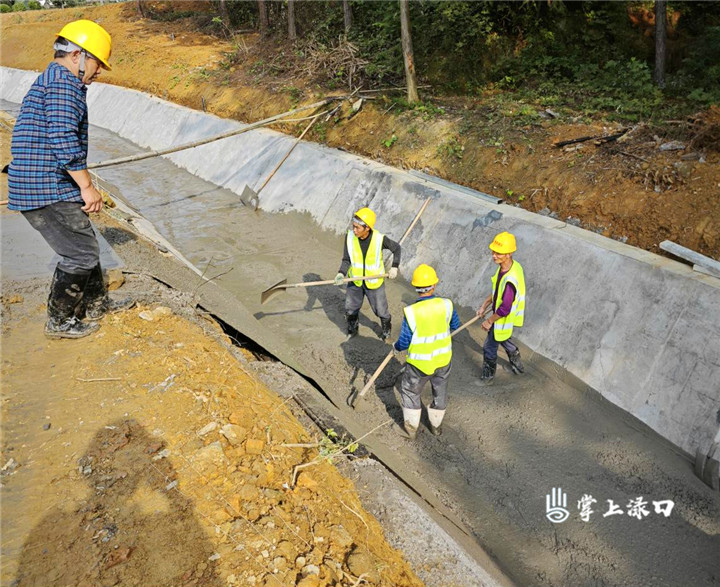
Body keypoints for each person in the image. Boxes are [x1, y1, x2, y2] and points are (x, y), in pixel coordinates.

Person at [8, 20, 132, 339]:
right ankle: (60, 321)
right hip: (44, 188)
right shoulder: (63, 83)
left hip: (45, 183)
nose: (99, 71)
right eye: (96, 63)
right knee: (79, 253)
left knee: (84, 242)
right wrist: (87, 187)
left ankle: (94, 304)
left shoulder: (55, 80)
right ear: (77, 55)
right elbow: (63, 136)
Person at [393, 264, 460, 438]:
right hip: (443, 360)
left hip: (419, 365)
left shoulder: (412, 312)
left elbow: (405, 341)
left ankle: (411, 430)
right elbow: (455, 325)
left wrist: (396, 347)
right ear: (434, 285)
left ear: (415, 287)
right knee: (440, 390)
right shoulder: (447, 305)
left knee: (410, 391)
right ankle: (436, 426)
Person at [335, 207, 400, 340]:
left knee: (381, 311)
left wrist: (394, 267)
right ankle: (352, 330)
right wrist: (341, 273)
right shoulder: (350, 237)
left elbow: (397, 248)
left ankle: (386, 331)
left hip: (374, 282)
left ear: (367, 228)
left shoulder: (379, 239)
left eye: (357, 228)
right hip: (356, 280)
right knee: (350, 308)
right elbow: (347, 259)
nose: (354, 230)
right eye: (353, 226)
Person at [476, 231, 526, 382]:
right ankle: (516, 360)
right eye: (493, 251)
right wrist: (484, 305)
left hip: (502, 317)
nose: (494, 255)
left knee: (489, 346)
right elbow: (497, 291)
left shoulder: (511, 278)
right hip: (502, 317)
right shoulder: (508, 267)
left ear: (509, 253)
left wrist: (489, 321)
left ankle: (488, 374)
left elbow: (504, 308)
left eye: (499, 253)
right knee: (503, 338)